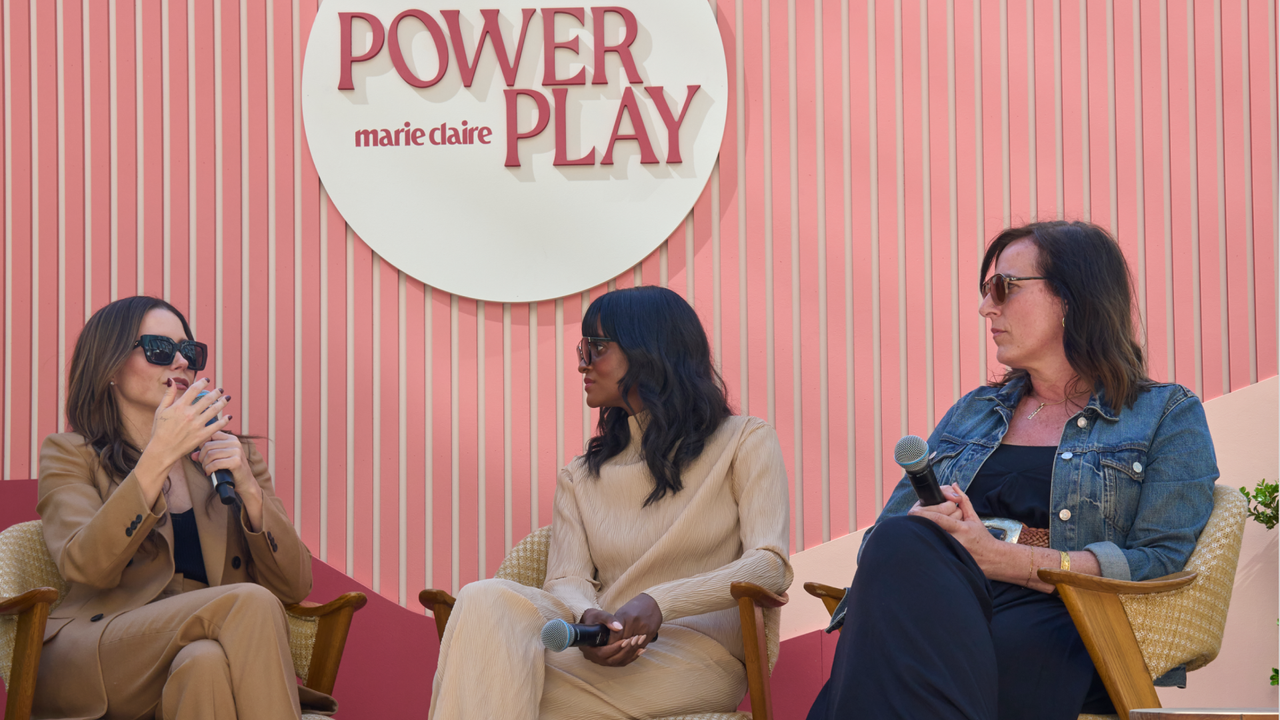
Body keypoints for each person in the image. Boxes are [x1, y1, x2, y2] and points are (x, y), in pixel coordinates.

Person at [807, 221, 1218, 720]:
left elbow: (1161, 561)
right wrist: (930, 528)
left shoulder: (1164, 414)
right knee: (898, 539)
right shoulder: (975, 410)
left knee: (891, 668)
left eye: (1003, 287)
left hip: (1063, 618)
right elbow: (880, 543)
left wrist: (1005, 557)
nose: (986, 307)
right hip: (942, 604)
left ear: (1071, 298)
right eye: (986, 291)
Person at [428, 286, 793, 720]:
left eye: (597, 347)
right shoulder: (580, 476)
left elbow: (770, 565)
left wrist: (659, 601)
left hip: (697, 657)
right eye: (583, 347)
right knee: (484, 599)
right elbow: (565, 579)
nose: (583, 362)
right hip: (599, 655)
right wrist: (591, 618)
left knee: (486, 678)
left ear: (649, 350)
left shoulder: (744, 441)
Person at [34, 296, 332, 720]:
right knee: (248, 602)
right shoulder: (70, 453)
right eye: (159, 348)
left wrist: (248, 488)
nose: (179, 362)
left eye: (189, 352)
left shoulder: (228, 455)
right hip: (107, 650)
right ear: (111, 367)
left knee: (205, 662)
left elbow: (295, 586)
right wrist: (158, 457)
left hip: (198, 648)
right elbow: (86, 566)